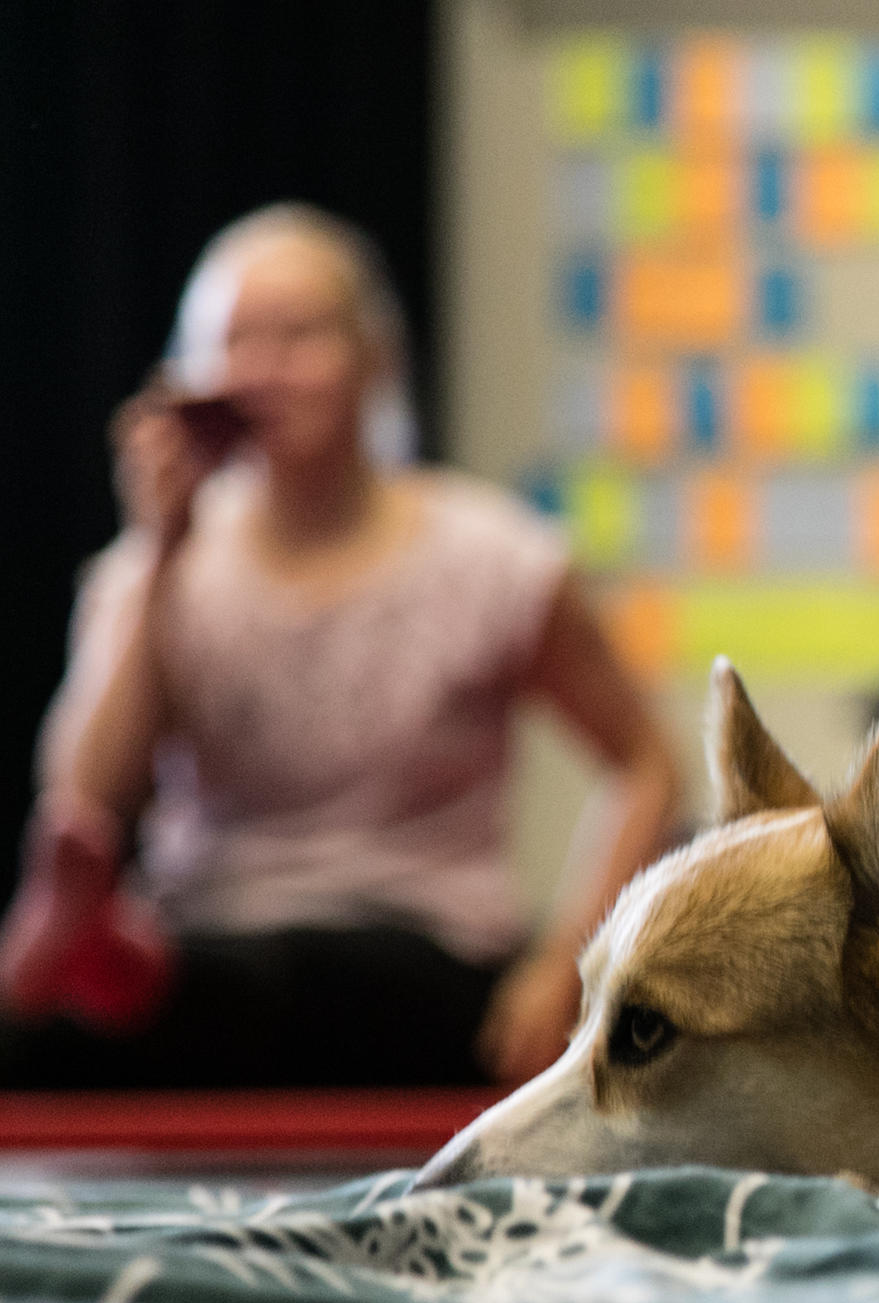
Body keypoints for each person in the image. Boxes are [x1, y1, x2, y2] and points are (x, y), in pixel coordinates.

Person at [0, 203, 680, 1088]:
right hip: (208, 937)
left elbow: (647, 765)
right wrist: (160, 555)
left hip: (427, 948)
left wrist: (570, 963)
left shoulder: (494, 557)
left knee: (310, 983)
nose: (265, 370)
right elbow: (82, 800)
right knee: (60, 1029)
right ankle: (108, 966)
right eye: (235, 342)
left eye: (298, 336)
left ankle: (115, 967)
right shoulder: (149, 570)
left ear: (377, 356)